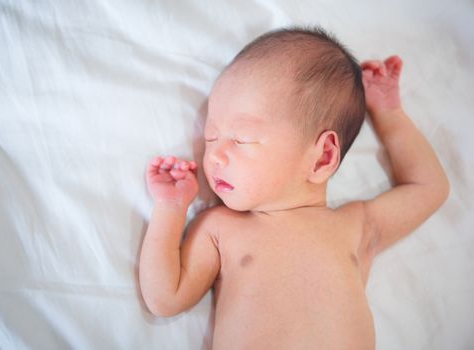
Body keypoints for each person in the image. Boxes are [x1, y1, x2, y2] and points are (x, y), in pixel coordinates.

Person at [139, 26, 449, 349]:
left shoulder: (355, 226)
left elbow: (429, 187)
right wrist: (170, 209)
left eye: (241, 139)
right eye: (211, 137)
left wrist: (388, 114)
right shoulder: (220, 229)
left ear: (322, 158)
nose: (214, 156)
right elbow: (164, 298)